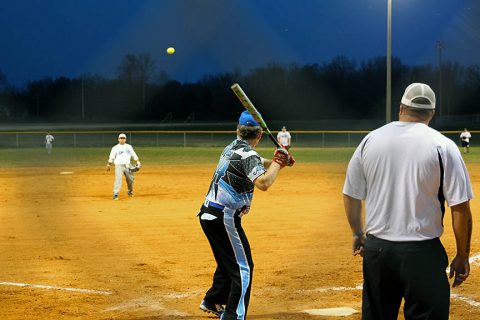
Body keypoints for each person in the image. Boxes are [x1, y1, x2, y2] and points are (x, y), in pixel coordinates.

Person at [343, 83, 473, 320]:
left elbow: (351, 194)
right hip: (422, 253)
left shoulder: (370, 140)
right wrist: (463, 254)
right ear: (432, 113)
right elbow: (460, 208)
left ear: (401, 107)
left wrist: (357, 233)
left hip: (378, 251)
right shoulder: (443, 145)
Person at [198, 111, 294, 320]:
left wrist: (280, 162)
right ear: (259, 136)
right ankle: (234, 314)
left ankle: (212, 299)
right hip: (225, 217)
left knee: (227, 261)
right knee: (243, 267)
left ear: (238, 131)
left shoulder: (233, 147)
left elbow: (257, 162)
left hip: (209, 214)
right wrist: (278, 161)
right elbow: (264, 183)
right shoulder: (248, 155)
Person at [106, 133, 141, 200]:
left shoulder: (129, 146)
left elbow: (134, 154)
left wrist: (137, 161)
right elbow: (111, 157)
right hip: (119, 165)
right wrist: (109, 164)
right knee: (118, 179)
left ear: (125, 139)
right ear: (118, 139)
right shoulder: (115, 148)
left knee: (130, 179)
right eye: (121, 138)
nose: (122, 139)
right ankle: (115, 194)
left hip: (128, 165)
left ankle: (130, 191)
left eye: (123, 138)